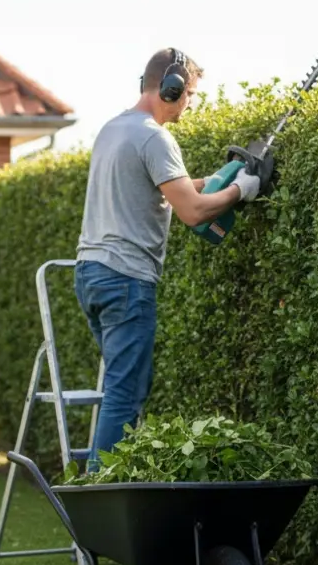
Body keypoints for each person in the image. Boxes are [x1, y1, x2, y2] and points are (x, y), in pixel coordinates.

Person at [74, 48, 263, 469]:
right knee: (126, 394)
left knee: (119, 390)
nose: (191, 102)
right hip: (126, 280)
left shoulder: (113, 129)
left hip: (91, 274)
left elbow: (164, 187)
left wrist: (216, 180)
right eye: (190, 93)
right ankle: (100, 493)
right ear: (171, 87)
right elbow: (193, 213)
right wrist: (240, 191)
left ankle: (113, 482)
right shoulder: (155, 137)